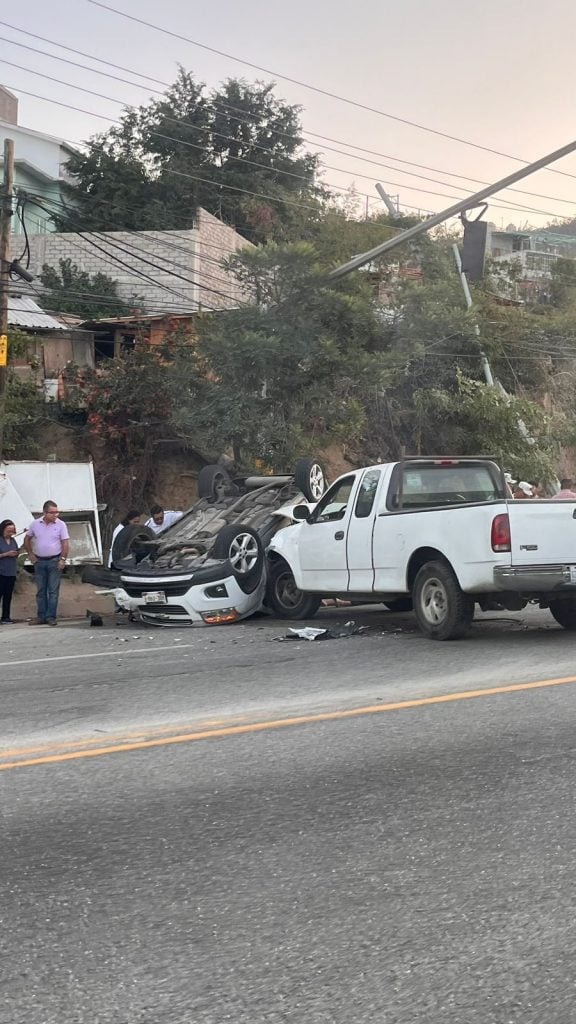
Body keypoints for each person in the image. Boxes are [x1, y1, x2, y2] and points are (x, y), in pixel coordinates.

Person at [24, 500, 70, 626]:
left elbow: (65, 543)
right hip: (39, 561)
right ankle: (41, 616)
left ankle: (51, 616)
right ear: (45, 512)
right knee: (41, 590)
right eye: (52, 512)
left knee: (53, 591)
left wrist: (63, 559)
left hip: (54, 560)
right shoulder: (35, 524)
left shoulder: (61, 525)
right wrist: (31, 554)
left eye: (57, 512)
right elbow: (27, 539)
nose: (56, 515)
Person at [0, 519, 19, 624]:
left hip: (11, 571)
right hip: (1, 571)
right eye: (8, 531)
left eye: (12, 531)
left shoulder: (13, 540)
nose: (10, 533)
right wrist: (6, 554)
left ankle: (6, 617)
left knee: (8, 596)